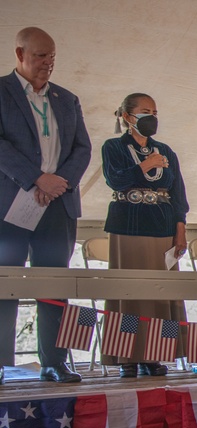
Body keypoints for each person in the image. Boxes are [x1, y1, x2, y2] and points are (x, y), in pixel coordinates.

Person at [0, 27, 92, 384]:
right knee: (6, 283)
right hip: (11, 206)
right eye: (40, 56)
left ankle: (55, 361)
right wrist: (36, 178)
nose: (47, 64)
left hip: (58, 205)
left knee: (55, 285)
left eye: (52, 57)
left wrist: (59, 182)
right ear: (20, 54)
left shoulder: (66, 98)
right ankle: (3, 363)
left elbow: (82, 148)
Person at [101, 93, 188, 378]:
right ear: (127, 117)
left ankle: (156, 353)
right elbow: (115, 179)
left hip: (161, 225)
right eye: (144, 111)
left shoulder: (165, 150)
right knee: (129, 293)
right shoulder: (113, 147)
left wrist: (180, 230)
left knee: (159, 292)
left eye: (154, 111)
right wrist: (144, 166)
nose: (151, 116)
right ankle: (128, 354)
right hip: (128, 223)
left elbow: (178, 194)